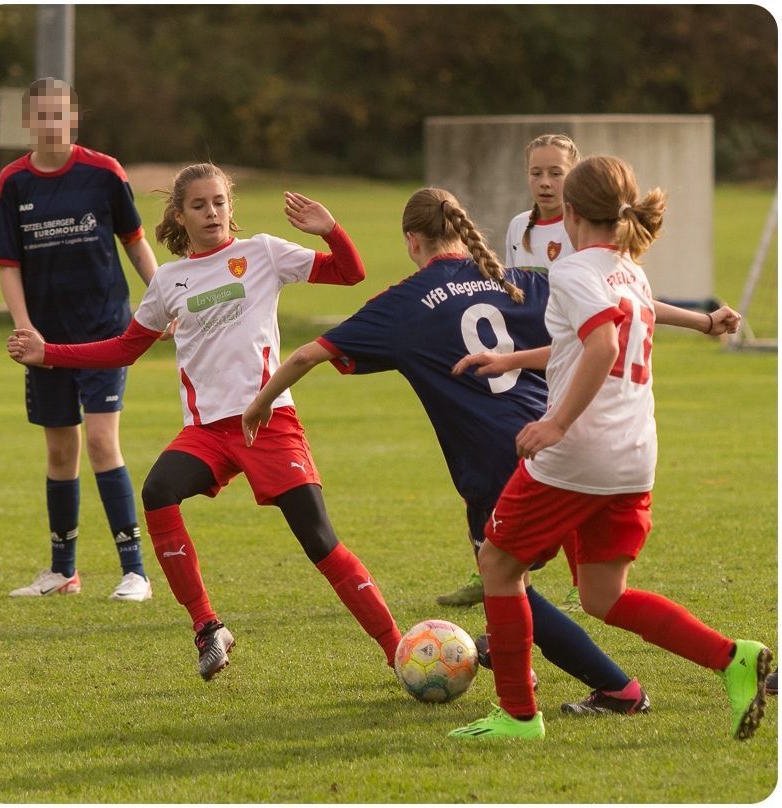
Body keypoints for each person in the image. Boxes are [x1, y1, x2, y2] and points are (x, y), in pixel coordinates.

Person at [244, 186, 666, 715]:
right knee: (523, 577)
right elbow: (624, 308)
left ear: (411, 241)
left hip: (492, 456)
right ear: (464, 231)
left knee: (502, 577)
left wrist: (259, 405)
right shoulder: (521, 281)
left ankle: (615, 687)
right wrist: (702, 320)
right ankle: (517, 656)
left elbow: (308, 354)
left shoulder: (403, 303)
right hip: (559, 440)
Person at [7, 162, 402, 681]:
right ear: (180, 215)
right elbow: (125, 348)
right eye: (199, 205)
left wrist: (330, 230)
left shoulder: (262, 252)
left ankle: (398, 650)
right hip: (207, 433)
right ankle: (208, 627)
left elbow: (350, 273)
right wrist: (49, 353)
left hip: (269, 422)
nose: (211, 212)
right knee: (158, 491)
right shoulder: (169, 280)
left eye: (219, 202)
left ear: (230, 207)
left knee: (320, 541)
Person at [447, 156, 772, 742]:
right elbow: (585, 341)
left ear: (570, 212)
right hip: (633, 456)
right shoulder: (628, 271)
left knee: (497, 564)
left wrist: (555, 424)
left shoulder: (575, 270)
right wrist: (512, 359)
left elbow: (600, 345)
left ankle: (517, 715)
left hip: (578, 454)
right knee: (603, 595)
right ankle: (733, 658)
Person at [0, 77, 159, 601]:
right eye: (42, 115)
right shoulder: (14, 181)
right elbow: (7, 264)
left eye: (60, 114)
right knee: (60, 449)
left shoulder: (104, 172)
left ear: (74, 118)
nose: (52, 123)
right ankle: (63, 571)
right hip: (44, 343)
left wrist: (164, 298)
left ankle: (135, 573)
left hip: (105, 332)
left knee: (103, 441)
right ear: (28, 121)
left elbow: (135, 242)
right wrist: (25, 327)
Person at [439, 132, 582, 610]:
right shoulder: (520, 226)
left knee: (566, 472)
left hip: (574, 361)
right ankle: (488, 567)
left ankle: (577, 579)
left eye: (556, 173)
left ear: (573, 175)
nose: (545, 182)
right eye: (536, 173)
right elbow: (511, 298)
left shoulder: (582, 226)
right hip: (526, 367)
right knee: (487, 461)